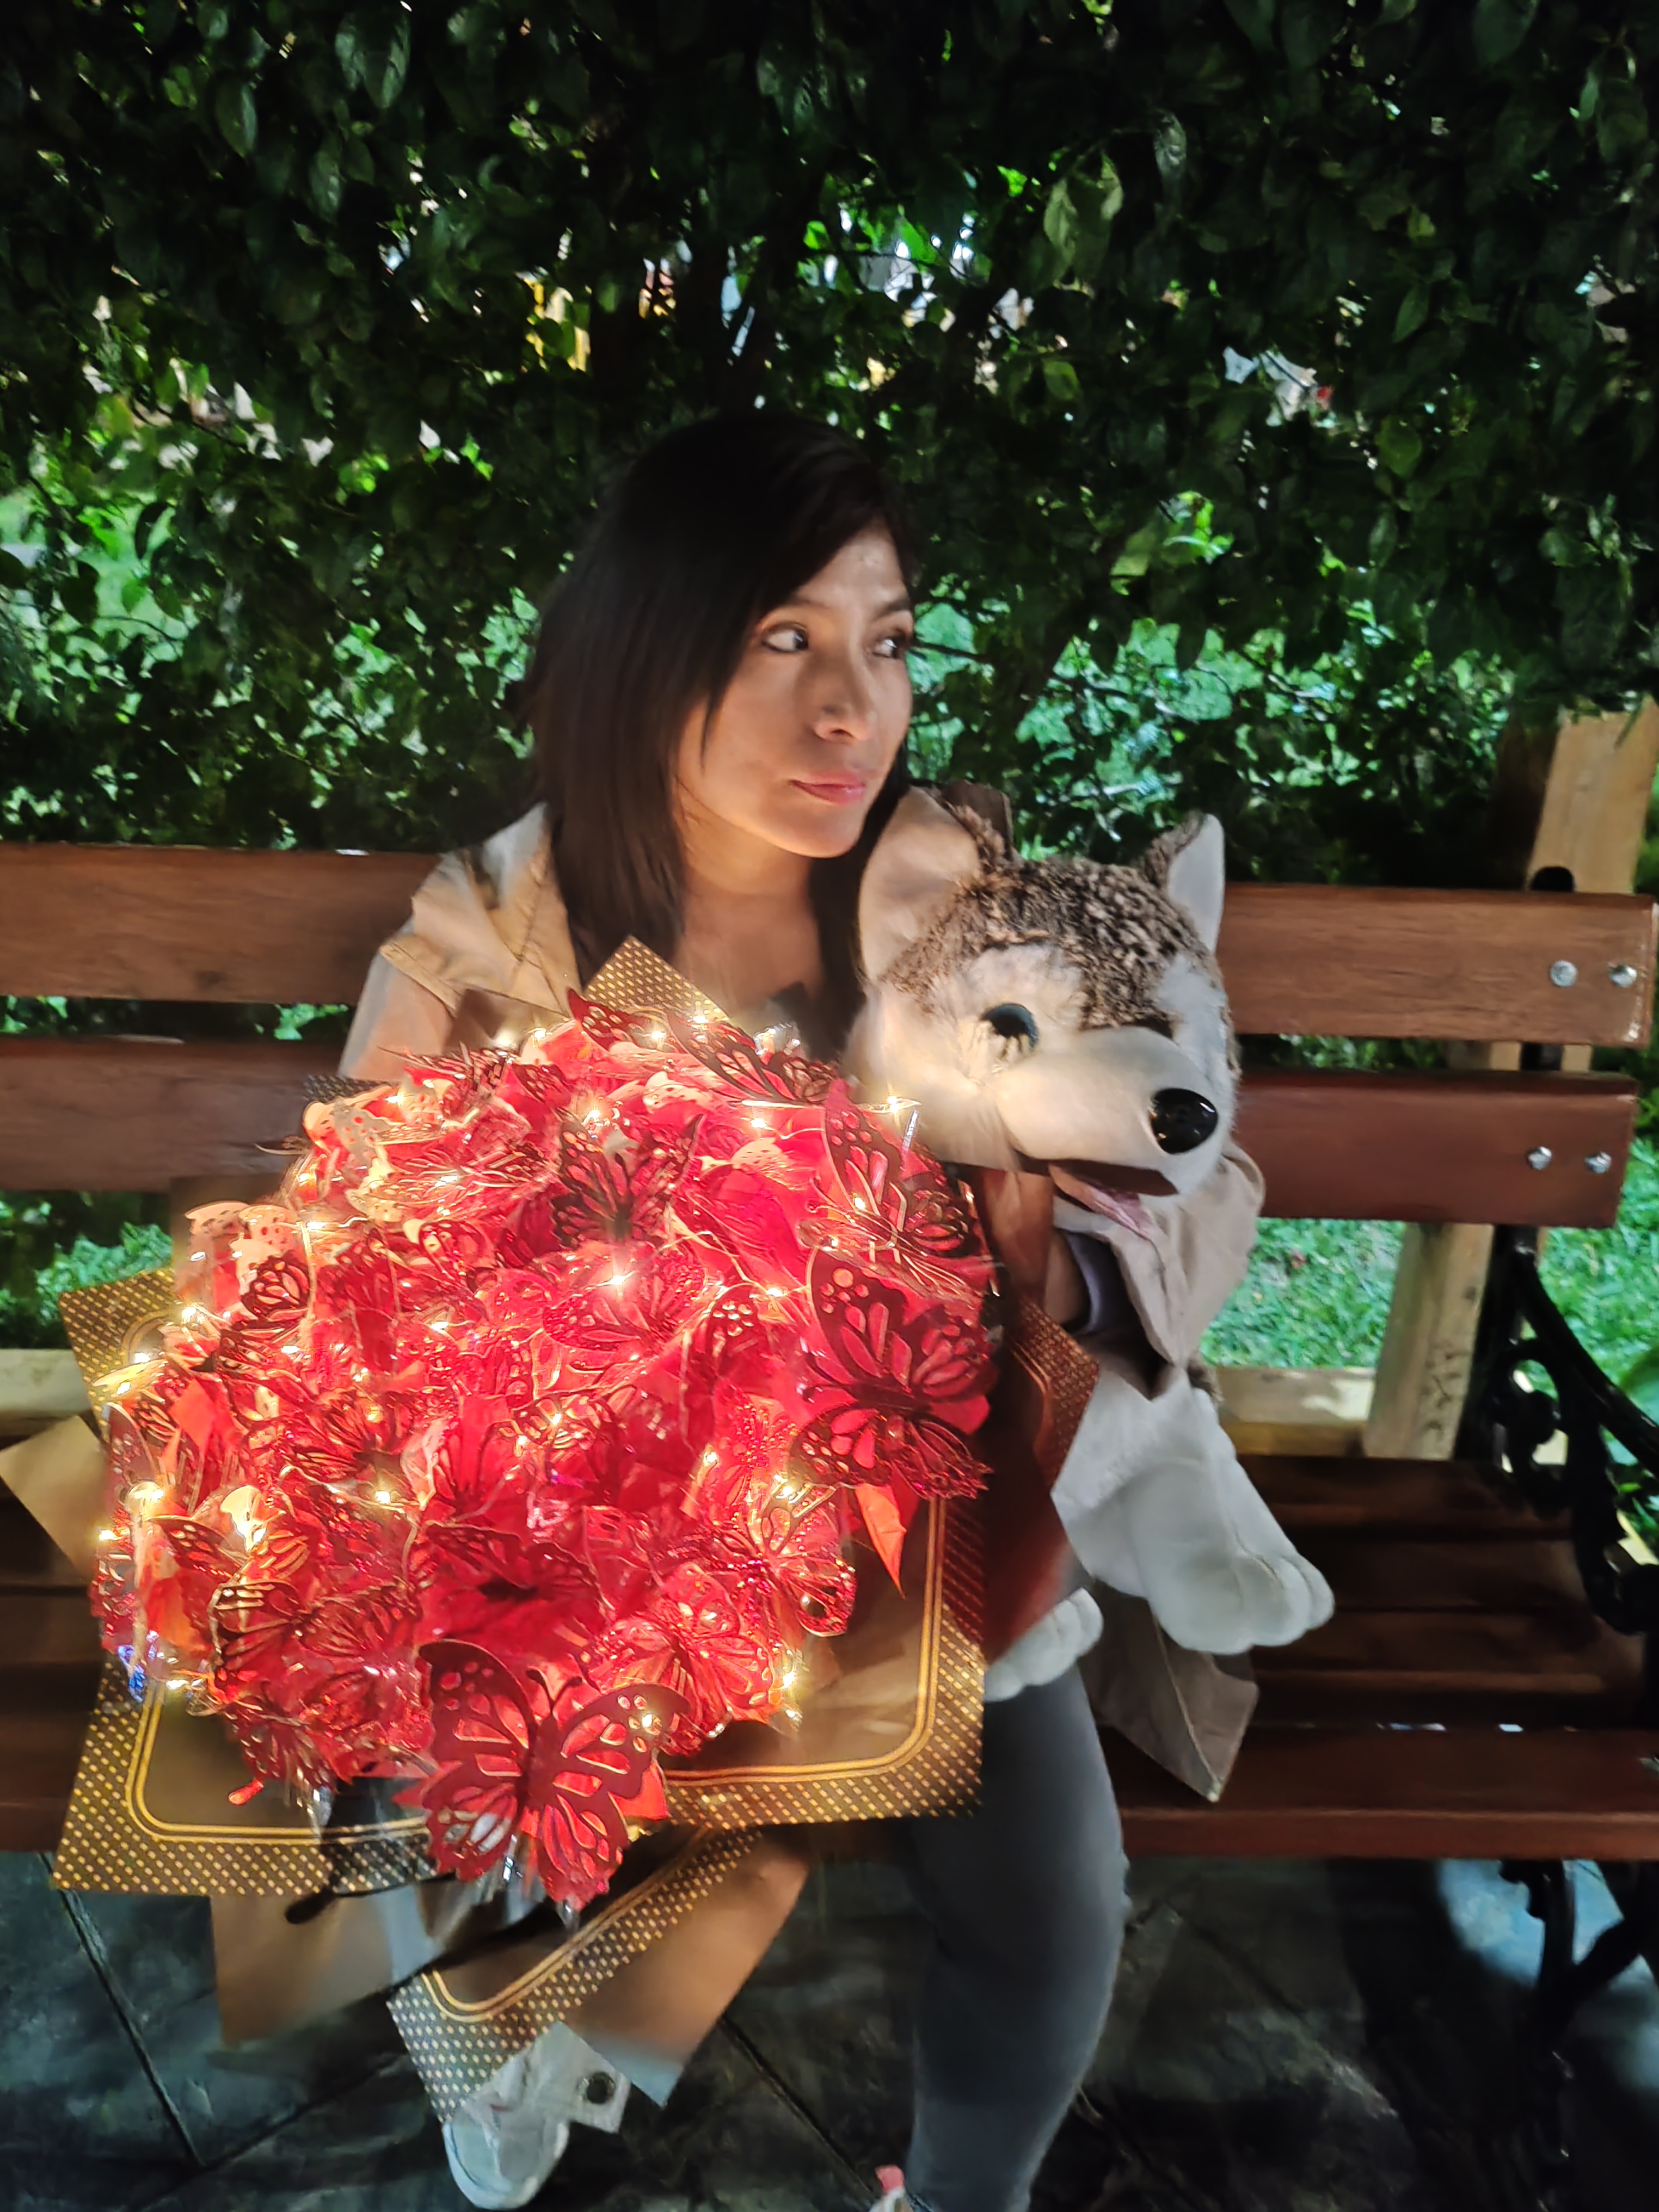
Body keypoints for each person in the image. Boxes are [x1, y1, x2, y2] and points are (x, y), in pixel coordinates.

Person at [342, 413, 1255, 2212]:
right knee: (503, 1807)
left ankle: (962, 2193)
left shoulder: (958, 909)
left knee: (1054, 1892)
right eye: (783, 639)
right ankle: (508, 2041)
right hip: (598, 1542)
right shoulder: (497, 935)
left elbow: (1196, 1162)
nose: (852, 708)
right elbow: (360, 1243)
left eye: (886, 641)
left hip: (918, 1528)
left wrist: (1060, 1265)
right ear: (647, 653)